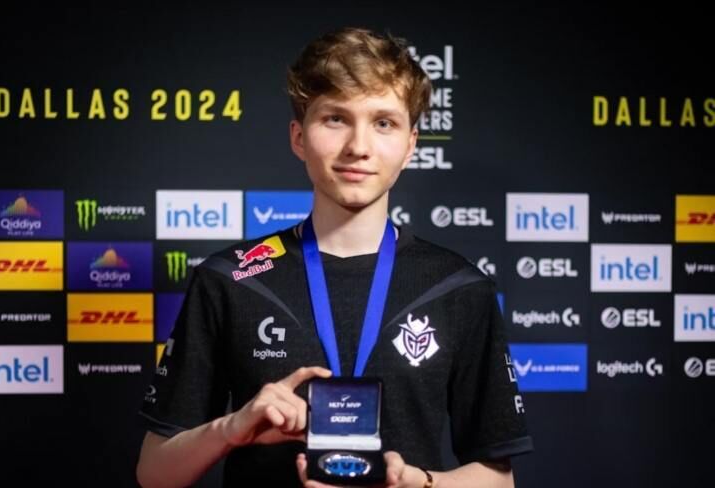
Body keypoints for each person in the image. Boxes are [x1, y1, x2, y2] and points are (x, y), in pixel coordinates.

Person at [136, 27, 533, 488]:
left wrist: (418, 483)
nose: (358, 147)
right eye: (335, 119)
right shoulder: (231, 278)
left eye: (383, 123)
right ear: (298, 137)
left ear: (410, 145)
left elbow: (498, 479)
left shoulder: (460, 287)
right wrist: (230, 429)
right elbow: (154, 473)